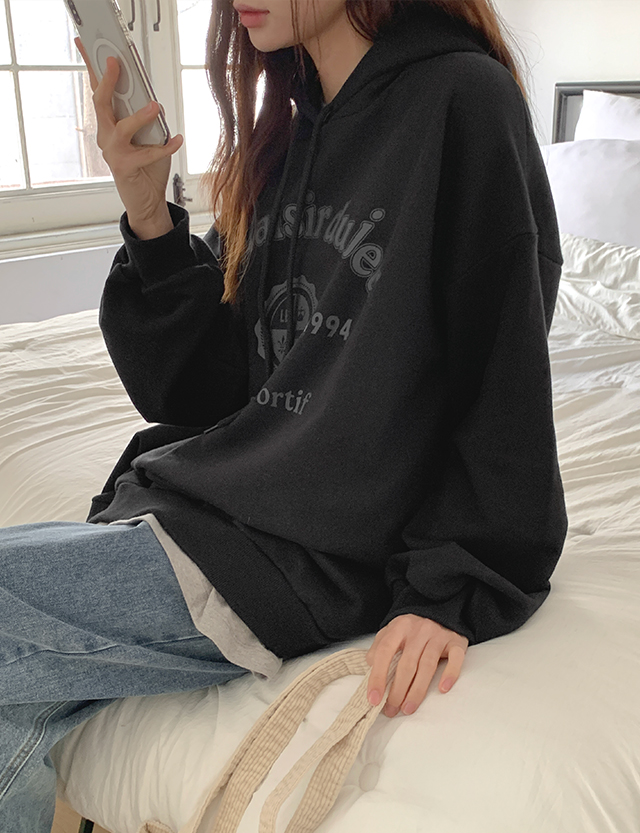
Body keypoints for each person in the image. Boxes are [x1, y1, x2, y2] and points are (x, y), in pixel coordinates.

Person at [0, 0, 568, 829]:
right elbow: (211, 394)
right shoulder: (290, 126)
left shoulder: (463, 100)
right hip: (225, 510)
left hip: (314, 557)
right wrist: (149, 214)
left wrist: (452, 586)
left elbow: (503, 367)